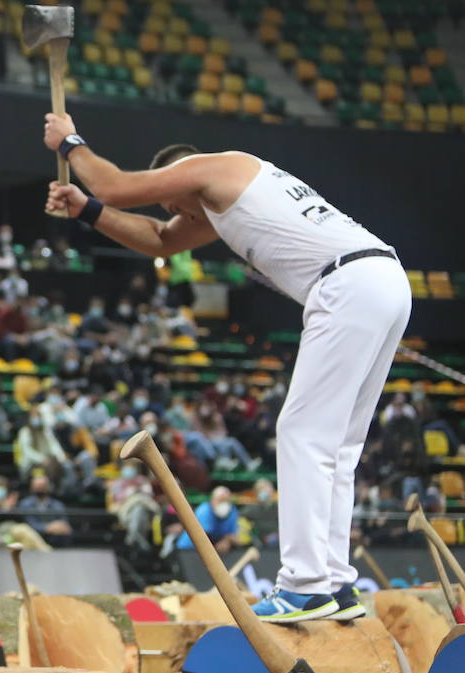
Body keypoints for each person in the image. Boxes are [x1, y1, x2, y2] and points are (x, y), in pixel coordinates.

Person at [44, 111, 408, 623]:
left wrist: (69, 144)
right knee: (337, 446)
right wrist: (87, 210)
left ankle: (304, 587)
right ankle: (334, 583)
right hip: (383, 277)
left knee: (301, 433)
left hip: (346, 285)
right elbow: (158, 240)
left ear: (180, 175)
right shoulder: (226, 198)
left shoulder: (213, 168)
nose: (177, 215)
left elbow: (117, 185)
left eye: (174, 203)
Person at [176, 486, 244, 553]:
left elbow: (235, 538)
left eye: (226, 501)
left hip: (213, 551)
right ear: (212, 500)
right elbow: (202, 537)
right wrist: (221, 542)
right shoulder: (204, 510)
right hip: (189, 549)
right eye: (220, 500)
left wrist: (227, 540)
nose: (223, 504)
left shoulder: (232, 512)